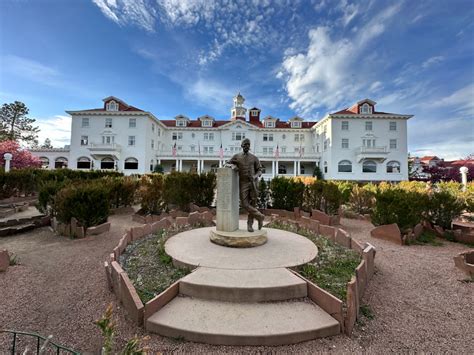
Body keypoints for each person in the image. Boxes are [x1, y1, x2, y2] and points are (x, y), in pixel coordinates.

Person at [226, 138, 265, 232]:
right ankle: (260, 216)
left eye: (248, 144)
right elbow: (227, 163)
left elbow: (260, 170)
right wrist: (233, 166)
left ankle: (250, 225)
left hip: (253, 183)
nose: (247, 146)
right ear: (242, 146)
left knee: (253, 204)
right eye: (245, 144)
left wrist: (255, 176)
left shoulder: (254, 157)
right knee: (244, 204)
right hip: (243, 182)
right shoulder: (237, 156)